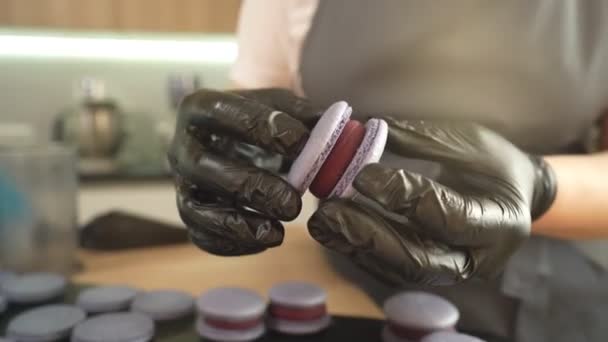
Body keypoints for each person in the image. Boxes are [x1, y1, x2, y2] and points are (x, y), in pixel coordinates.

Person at [168, 1, 608, 341]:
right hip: (351, 280)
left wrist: (540, 187)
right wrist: (226, 149)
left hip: (554, 284)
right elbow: (256, 105)